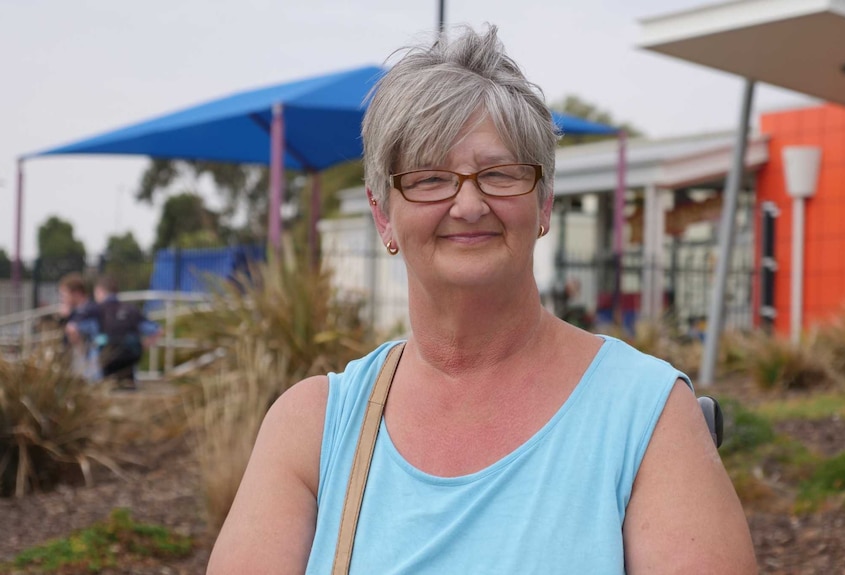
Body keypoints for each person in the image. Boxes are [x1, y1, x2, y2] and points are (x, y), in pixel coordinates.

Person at [208, 25, 757, 574]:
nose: (469, 204)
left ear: (543, 205)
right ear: (382, 215)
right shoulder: (313, 429)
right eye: (429, 178)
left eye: (499, 174)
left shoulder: (644, 414)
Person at [72, 275, 161, 389]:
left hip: (105, 360)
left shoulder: (95, 309)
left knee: (105, 389)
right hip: (130, 357)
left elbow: (72, 328)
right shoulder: (132, 310)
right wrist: (143, 345)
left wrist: (81, 350)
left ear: (99, 291)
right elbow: (157, 330)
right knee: (128, 388)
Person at [56, 272, 101, 381]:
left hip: (88, 362)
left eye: (64, 295)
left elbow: (72, 331)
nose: (62, 300)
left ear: (76, 293)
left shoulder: (89, 310)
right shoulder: (76, 312)